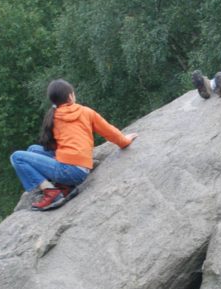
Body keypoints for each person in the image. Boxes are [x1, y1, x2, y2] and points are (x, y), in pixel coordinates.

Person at [10, 79, 138, 211]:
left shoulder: (54, 116)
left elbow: (54, 145)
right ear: (71, 96)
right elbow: (109, 132)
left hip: (69, 171)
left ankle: (51, 192)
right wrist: (125, 141)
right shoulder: (86, 112)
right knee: (33, 150)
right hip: (80, 169)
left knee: (17, 157)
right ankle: (64, 186)